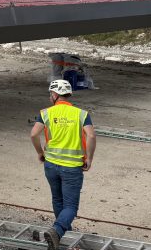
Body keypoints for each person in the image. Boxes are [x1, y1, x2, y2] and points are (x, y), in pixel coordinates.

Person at [30, 79, 96, 250]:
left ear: (55, 94)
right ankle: (58, 230)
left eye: (50, 94)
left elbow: (34, 134)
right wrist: (89, 158)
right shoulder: (81, 114)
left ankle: (61, 232)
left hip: (51, 165)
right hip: (72, 167)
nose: (50, 97)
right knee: (71, 206)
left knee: (58, 199)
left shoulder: (46, 113)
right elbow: (91, 136)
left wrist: (40, 152)